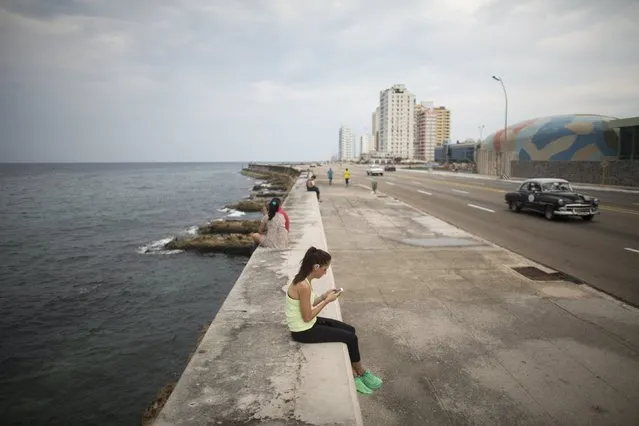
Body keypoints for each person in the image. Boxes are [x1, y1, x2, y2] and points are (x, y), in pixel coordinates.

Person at [285, 246, 383, 395]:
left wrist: (324, 296)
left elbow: (308, 306)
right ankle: (359, 373)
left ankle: (356, 371)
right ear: (316, 267)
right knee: (350, 338)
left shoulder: (304, 280)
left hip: (307, 324)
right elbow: (307, 316)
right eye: (325, 269)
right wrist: (327, 301)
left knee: (350, 330)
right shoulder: (303, 285)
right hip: (303, 331)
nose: (325, 272)